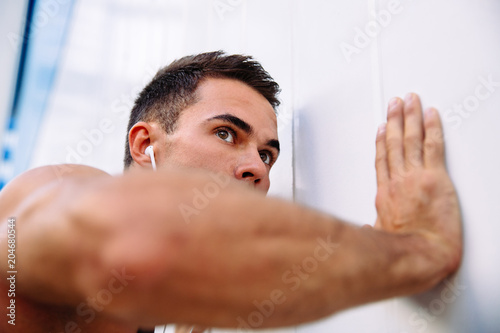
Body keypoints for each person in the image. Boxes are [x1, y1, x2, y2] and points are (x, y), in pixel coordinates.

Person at [0, 51, 462, 333]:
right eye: (226, 134)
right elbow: (132, 241)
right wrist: (415, 252)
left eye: (267, 155)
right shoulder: (50, 194)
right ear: (144, 144)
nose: (254, 168)